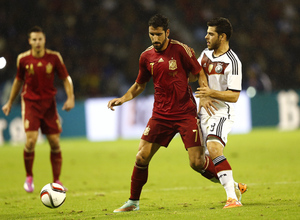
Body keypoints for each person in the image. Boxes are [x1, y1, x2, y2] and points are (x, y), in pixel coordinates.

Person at [107, 14, 218, 212]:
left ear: (167, 32)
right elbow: (139, 85)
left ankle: (229, 184)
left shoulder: (182, 50)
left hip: (185, 113)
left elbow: (199, 72)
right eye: (152, 34)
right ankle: (133, 202)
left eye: (159, 34)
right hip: (160, 115)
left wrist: (205, 95)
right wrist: (123, 98)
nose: (155, 39)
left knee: (197, 162)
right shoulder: (146, 56)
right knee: (141, 157)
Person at [2, 26, 75, 193]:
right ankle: (29, 177)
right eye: (34, 39)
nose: (37, 42)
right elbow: (18, 81)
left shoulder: (54, 57)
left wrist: (71, 97)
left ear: (44, 40)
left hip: (49, 104)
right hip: (30, 104)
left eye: (40, 39)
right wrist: (9, 102)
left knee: (55, 143)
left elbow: (66, 78)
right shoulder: (23, 59)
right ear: (29, 41)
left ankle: (57, 180)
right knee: (30, 141)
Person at [195, 17, 247, 208]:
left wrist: (211, 93)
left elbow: (234, 96)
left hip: (221, 112)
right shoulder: (206, 53)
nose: (206, 36)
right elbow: (198, 72)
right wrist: (204, 95)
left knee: (215, 149)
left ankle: (232, 199)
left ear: (222, 36)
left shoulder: (233, 62)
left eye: (211, 33)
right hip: (203, 112)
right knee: (197, 162)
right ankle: (234, 186)